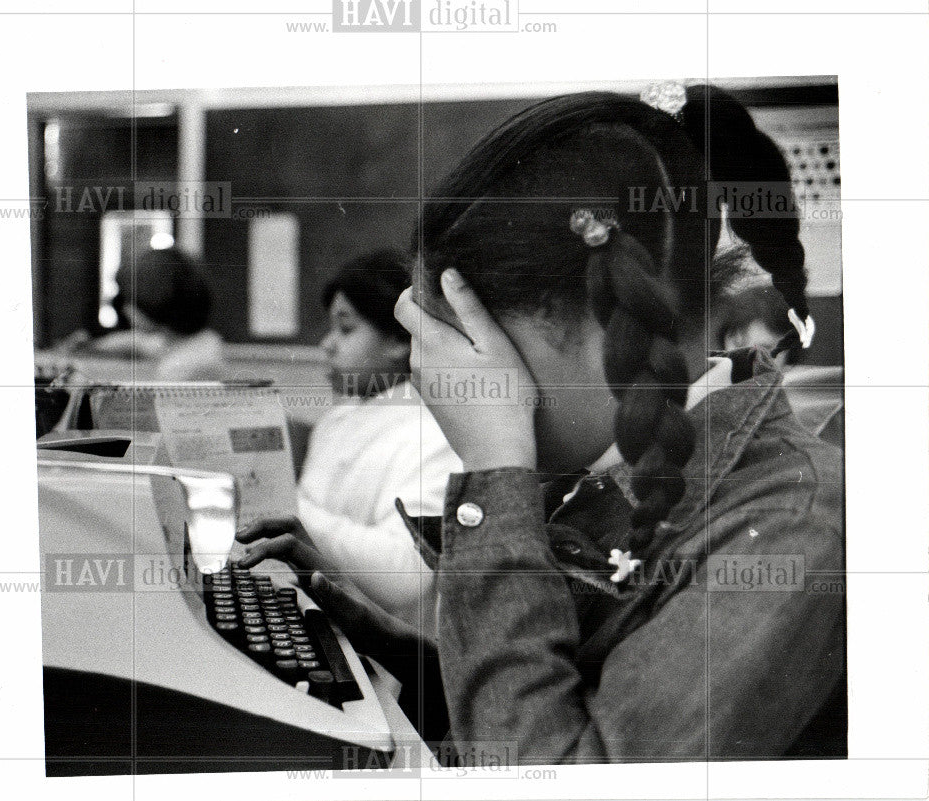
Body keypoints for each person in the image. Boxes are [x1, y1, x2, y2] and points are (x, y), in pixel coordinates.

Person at [238, 85, 845, 762]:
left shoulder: (794, 521)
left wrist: (496, 471)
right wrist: (381, 643)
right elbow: (545, 705)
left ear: (608, 330)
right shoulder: (617, 461)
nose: (455, 393)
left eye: (480, 353)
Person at [242, 250, 462, 629]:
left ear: (399, 340)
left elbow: (407, 573)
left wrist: (281, 503)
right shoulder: (341, 416)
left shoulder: (434, 432)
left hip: (387, 661)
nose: (327, 344)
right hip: (313, 618)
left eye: (346, 329)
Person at [715, 282, 844, 446]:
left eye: (766, 349)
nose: (746, 358)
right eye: (738, 343)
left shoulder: (814, 404)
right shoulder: (703, 393)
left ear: (791, 352)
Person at [112, 247, 227, 381]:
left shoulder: (180, 368)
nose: (126, 309)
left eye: (131, 301)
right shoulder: (201, 340)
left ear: (153, 301)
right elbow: (136, 342)